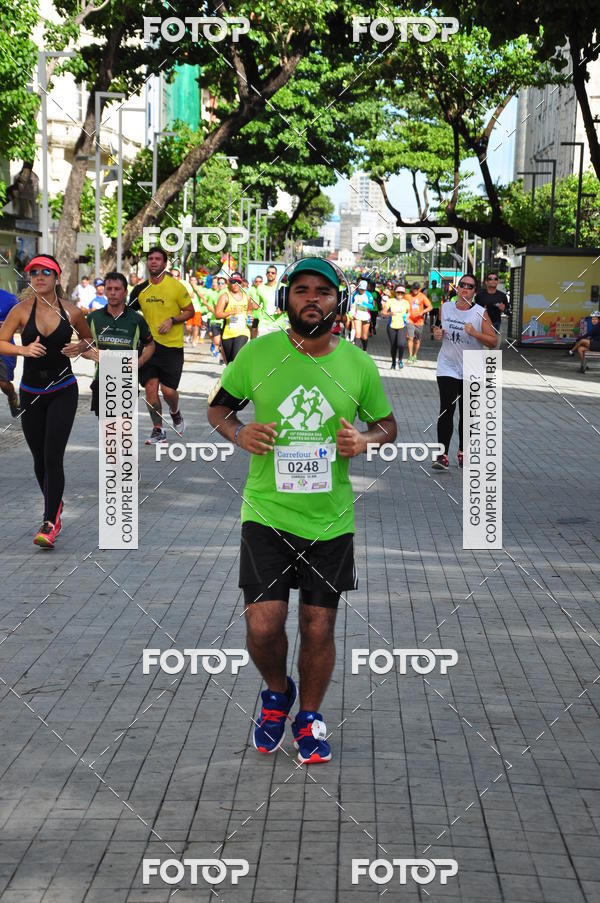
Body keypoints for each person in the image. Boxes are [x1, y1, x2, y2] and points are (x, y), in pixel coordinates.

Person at [207, 257, 397, 764]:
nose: (312, 298)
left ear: (340, 301)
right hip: (266, 512)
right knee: (263, 626)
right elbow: (218, 408)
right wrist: (237, 431)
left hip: (330, 519)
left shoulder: (359, 363)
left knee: (318, 627)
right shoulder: (257, 353)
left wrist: (365, 439)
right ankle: (276, 691)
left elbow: (388, 425)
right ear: (284, 297)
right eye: (301, 290)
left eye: (323, 292)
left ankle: (309, 717)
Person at [0, 254, 93, 547]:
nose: (39, 277)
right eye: (34, 272)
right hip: (31, 392)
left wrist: (80, 346)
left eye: (45, 272)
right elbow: (1, 342)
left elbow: (89, 341)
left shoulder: (72, 311)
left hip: (63, 389)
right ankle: (56, 505)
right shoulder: (21, 310)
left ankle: (49, 521)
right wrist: (23, 351)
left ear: (56, 277)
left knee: (53, 456)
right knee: (39, 458)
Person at [129, 246, 194, 444]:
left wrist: (172, 320)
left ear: (165, 263)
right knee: (150, 387)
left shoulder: (176, 287)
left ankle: (175, 411)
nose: (154, 262)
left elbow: (190, 311)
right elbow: (127, 314)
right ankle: (158, 429)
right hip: (148, 346)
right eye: (150, 259)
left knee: (168, 391)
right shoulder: (140, 290)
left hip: (171, 347)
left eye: (158, 259)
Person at [431, 274, 496, 470]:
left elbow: (493, 341)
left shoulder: (480, 313)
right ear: (458, 288)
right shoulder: (446, 307)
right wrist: (436, 333)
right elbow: (438, 330)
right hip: (447, 366)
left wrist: (475, 333)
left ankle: (463, 452)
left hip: (471, 368)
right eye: (462, 285)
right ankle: (442, 455)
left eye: (470, 286)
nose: (465, 289)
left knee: (467, 413)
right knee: (446, 410)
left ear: (475, 291)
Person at [84, 272, 155, 414]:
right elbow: (82, 346)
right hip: (102, 378)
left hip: (127, 380)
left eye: (117, 289)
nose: (112, 293)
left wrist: (139, 362)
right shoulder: (93, 318)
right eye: (109, 289)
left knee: (123, 430)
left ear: (125, 292)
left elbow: (150, 345)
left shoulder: (137, 319)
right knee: (107, 429)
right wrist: (91, 354)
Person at [214, 271, 252, 363]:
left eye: (238, 282)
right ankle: (231, 376)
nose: (236, 284)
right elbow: (217, 315)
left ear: (242, 283)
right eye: (233, 282)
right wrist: (231, 312)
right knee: (230, 363)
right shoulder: (225, 297)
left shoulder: (247, 297)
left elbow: (249, 311)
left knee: (236, 357)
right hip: (228, 333)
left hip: (243, 331)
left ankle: (241, 376)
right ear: (229, 282)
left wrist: (250, 317)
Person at [0, 281, 21, 416]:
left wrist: (7, 325)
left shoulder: (10, 299)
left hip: (4, 347)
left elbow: (22, 322)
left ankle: (12, 396)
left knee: (4, 383)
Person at [474, 272, 508, 346]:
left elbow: (508, 311)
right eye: (490, 279)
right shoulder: (480, 296)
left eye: (495, 279)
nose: (493, 280)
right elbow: (474, 311)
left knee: (494, 355)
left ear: (497, 281)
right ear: (486, 282)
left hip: (497, 326)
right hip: (482, 327)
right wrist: (482, 310)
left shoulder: (502, 296)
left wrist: (504, 309)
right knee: (484, 352)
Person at [381, 283, 409, 369]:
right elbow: (383, 313)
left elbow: (408, 312)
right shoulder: (390, 301)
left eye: (402, 293)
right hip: (391, 326)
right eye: (398, 292)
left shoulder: (406, 302)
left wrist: (407, 316)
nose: (400, 294)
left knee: (401, 344)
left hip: (402, 326)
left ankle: (400, 360)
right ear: (395, 293)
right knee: (393, 346)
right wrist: (389, 313)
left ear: (404, 294)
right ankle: (393, 363)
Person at [406, 282, 433, 364]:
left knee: (417, 340)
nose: (415, 290)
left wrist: (423, 311)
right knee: (410, 338)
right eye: (414, 288)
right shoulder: (407, 296)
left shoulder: (422, 296)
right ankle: (410, 355)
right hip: (409, 320)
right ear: (412, 288)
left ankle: (415, 355)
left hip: (419, 321)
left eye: (417, 289)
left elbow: (430, 307)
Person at [351, 279, 374, 350]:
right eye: (360, 289)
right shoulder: (355, 294)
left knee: (364, 336)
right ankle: (357, 352)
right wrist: (351, 311)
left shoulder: (369, 295)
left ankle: (364, 350)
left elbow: (372, 307)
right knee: (358, 334)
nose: (362, 290)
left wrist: (363, 303)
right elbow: (352, 304)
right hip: (357, 316)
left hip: (366, 317)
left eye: (363, 289)